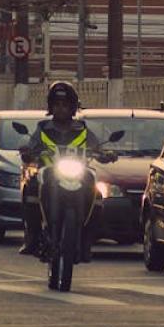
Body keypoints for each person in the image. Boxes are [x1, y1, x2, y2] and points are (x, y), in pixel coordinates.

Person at [18, 81, 101, 258]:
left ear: (72, 107)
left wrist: (106, 153)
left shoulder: (82, 129)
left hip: (77, 172)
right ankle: (32, 237)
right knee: (31, 189)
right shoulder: (43, 128)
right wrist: (27, 153)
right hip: (49, 172)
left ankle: (86, 241)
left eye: (65, 105)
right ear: (51, 106)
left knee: (98, 195)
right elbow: (31, 146)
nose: (61, 109)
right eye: (57, 104)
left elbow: (96, 146)